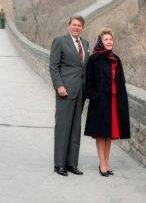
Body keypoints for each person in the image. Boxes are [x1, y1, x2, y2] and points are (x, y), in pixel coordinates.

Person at [84, 28, 131, 177]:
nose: (109, 41)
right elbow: (88, 80)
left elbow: (121, 82)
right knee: (100, 134)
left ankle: (105, 162)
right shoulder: (94, 59)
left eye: (111, 39)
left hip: (114, 102)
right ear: (100, 42)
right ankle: (102, 164)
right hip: (100, 102)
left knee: (109, 134)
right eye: (106, 39)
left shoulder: (116, 59)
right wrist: (94, 96)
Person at [49, 15, 89, 177]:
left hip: (81, 91)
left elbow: (84, 68)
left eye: (79, 25)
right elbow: (53, 66)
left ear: (82, 28)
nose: (76, 27)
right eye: (74, 25)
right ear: (69, 26)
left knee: (75, 127)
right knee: (63, 127)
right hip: (65, 91)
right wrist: (59, 86)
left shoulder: (85, 44)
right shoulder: (60, 41)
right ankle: (59, 164)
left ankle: (72, 163)